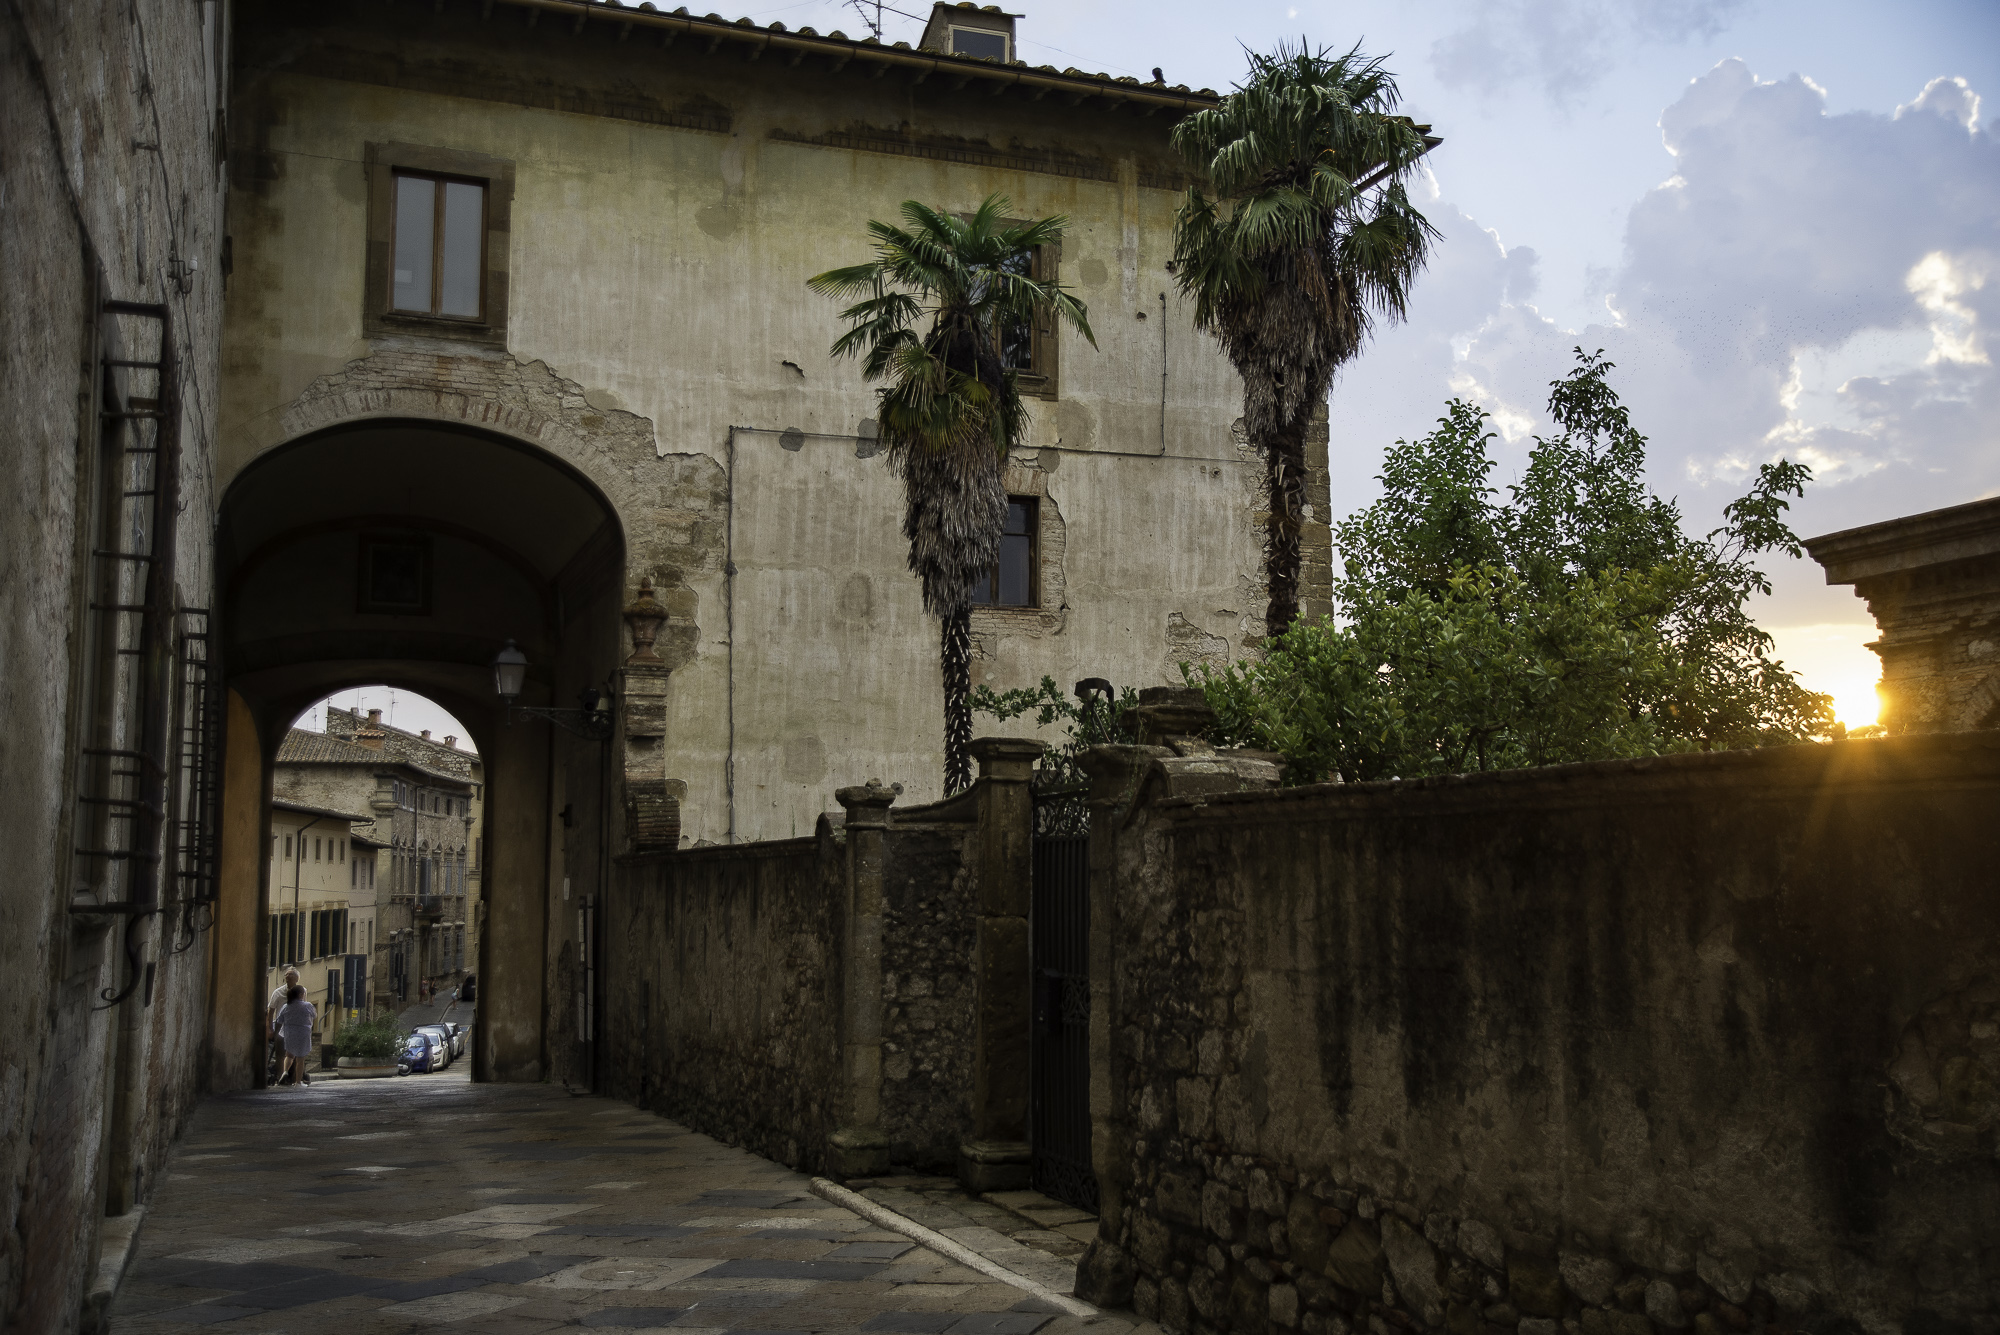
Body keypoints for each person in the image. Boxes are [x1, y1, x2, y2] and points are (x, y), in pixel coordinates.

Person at [274, 984, 318, 1089]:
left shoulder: (286, 1006)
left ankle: (285, 1071)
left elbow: (279, 1020)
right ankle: (298, 1082)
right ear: (301, 994)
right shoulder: (307, 1005)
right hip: (303, 1032)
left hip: (289, 1032)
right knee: (300, 1057)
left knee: (289, 1055)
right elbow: (314, 1015)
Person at [267, 968, 300, 1084]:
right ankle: (281, 1077)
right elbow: (270, 1011)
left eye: (290, 975)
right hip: (281, 1025)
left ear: (296, 978)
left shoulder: (302, 991)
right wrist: (270, 1028)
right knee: (281, 1053)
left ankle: (294, 1078)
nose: (287, 976)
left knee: (294, 1053)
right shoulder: (278, 992)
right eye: (286, 974)